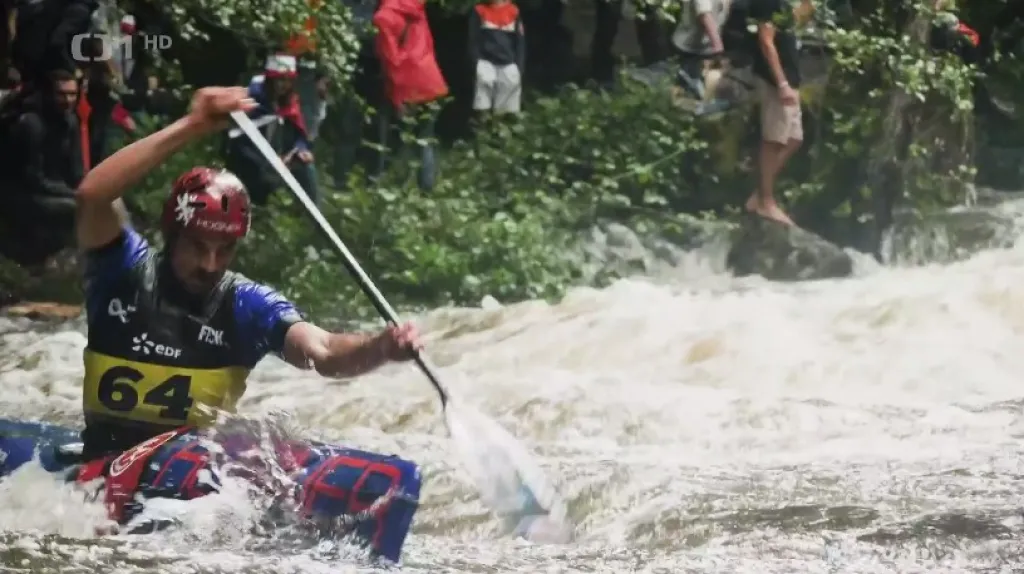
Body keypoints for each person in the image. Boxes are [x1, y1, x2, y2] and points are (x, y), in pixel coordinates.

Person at [73, 85, 424, 462]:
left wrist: (380, 347)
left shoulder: (246, 304)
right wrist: (193, 125)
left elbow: (323, 351)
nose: (210, 264)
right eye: (197, 246)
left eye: (224, 250)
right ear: (172, 235)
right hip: (103, 458)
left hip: (194, 480)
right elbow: (93, 195)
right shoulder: (121, 270)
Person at [0, 68, 83, 267]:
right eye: (61, 94)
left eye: (72, 94)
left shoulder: (70, 122)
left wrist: (88, 190)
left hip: (50, 187)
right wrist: (73, 194)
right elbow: (33, 179)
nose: (68, 100)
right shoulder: (31, 124)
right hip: (18, 192)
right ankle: (40, 261)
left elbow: (76, 170)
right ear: (48, 94)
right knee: (74, 208)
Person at [743, 0, 811, 226]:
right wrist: (781, 84)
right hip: (774, 81)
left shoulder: (786, 4)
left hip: (790, 79)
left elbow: (797, 23)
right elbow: (765, 41)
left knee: (794, 139)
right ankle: (766, 202)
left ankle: (760, 194)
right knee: (774, 140)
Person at [468, 0, 526, 117]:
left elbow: (520, 42)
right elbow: (473, 39)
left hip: (509, 62)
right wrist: (476, 62)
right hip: (485, 61)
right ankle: (482, 128)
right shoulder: (479, 10)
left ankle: (500, 129)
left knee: (507, 106)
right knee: (483, 103)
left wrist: (519, 66)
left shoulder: (513, 11)